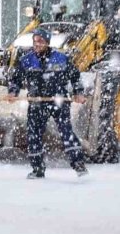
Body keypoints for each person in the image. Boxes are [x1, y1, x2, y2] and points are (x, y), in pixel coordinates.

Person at [7, 28, 88, 179]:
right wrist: (13, 92)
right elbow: (16, 79)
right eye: (35, 41)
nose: (37, 44)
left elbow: (75, 76)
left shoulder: (61, 58)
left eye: (41, 41)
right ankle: (37, 169)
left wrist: (78, 92)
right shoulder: (26, 60)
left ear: (47, 42)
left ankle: (78, 164)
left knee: (66, 131)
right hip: (36, 103)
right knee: (33, 135)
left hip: (59, 102)